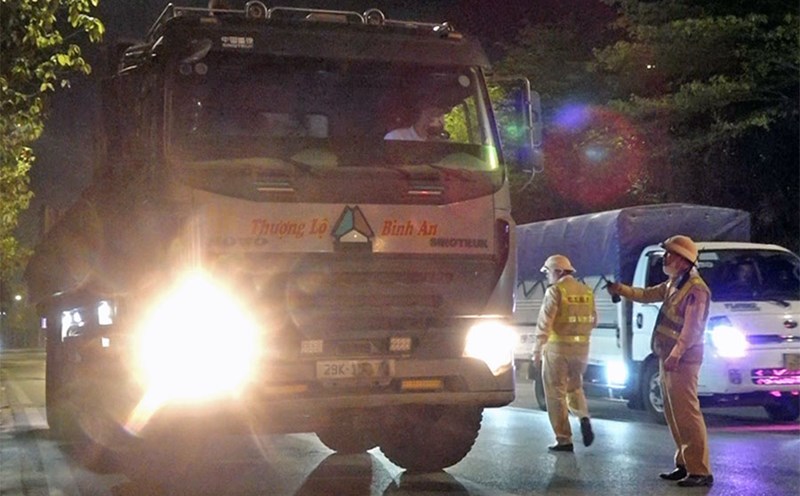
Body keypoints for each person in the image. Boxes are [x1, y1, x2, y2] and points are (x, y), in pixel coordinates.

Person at [606, 235, 714, 488]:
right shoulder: (673, 284)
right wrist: (620, 289)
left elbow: (692, 328)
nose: (665, 258)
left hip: (683, 359)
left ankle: (700, 470)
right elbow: (645, 294)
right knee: (673, 413)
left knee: (687, 414)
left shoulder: (696, 289)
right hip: (668, 357)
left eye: (669, 254)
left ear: (683, 260)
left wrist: (676, 354)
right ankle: (685, 464)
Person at [532, 254, 597, 452]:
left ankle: (564, 439)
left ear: (558, 272)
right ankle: (583, 416)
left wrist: (536, 351)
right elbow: (593, 320)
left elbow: (545, 323)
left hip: (557, 350)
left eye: (549, 273)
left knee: (555, 394)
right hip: (581, 351)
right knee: (575, 388)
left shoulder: (555, 291)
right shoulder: (586, 291)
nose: (547, 277)